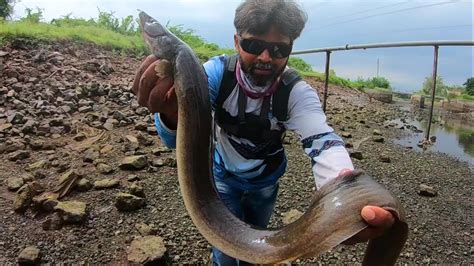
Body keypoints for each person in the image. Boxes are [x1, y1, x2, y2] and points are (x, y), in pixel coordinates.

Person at [132, 0, 395, 265]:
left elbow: (322, 140)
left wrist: (344, 190)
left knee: (257, 254)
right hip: (221, 181)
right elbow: (171, 140)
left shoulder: (296, 93)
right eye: (254, 45)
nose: (266, 58)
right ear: (237, 42)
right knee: (225, 252)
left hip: (265, 185)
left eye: (279, 49)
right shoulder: (214, 74)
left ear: (290, 50)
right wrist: (171, 113)